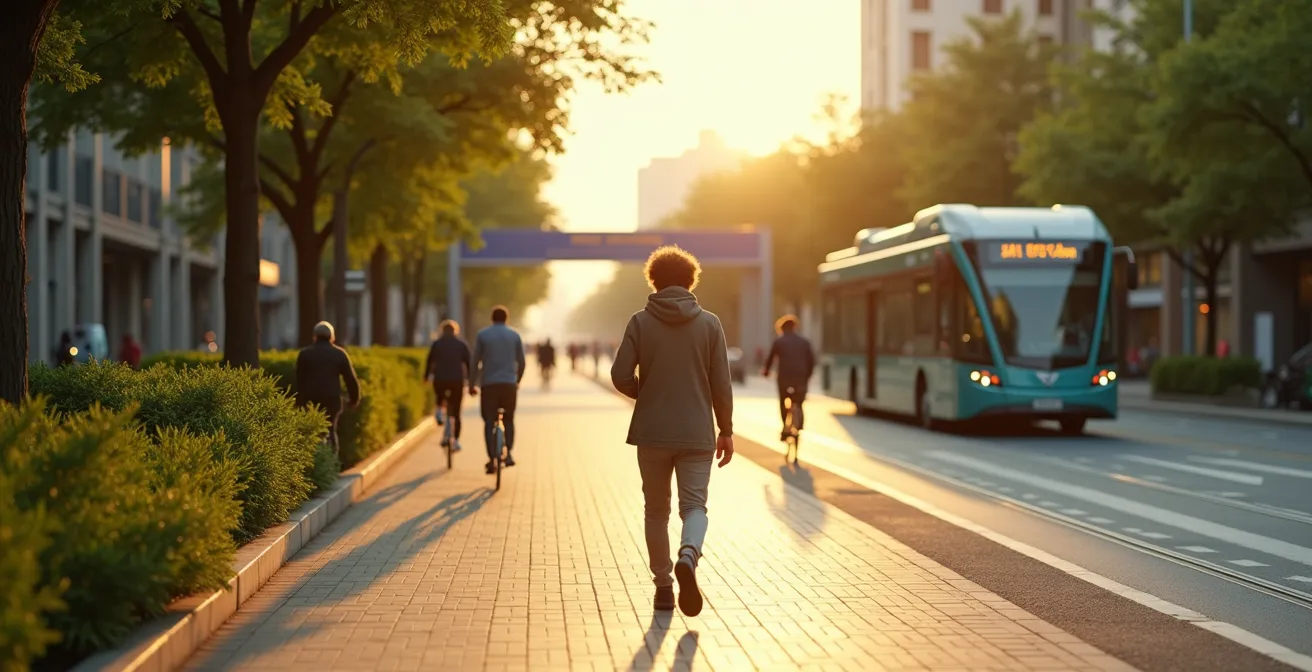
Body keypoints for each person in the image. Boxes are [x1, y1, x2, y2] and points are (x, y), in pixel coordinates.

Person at [610, 245, 734, 618]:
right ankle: (688, 555)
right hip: (697, 432)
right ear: (691, 280)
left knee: (656, 511)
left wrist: (644, 393)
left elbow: (619, 374)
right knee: (694, 506)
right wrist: (726, 429)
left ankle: (664, 587)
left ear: (654, 280)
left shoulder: (639, 322)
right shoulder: (710, 324)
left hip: (651, 432)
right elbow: (721, 383)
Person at [471, 306, 526, 474]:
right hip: (509, 384)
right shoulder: (515, 335)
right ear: (506, 318)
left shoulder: (483, 335)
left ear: (492, 318)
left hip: (489, 385)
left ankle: (491, 459)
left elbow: (475, 361)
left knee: (489, 420)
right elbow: (522, 362)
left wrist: (472, 384)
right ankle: (508, 453)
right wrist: (517, 380)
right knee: (508, 419)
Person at [295, 321, 361, 456]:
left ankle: (314, 459)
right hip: (332, 400)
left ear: (315, 336)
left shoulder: (305, 354)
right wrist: (354, 399)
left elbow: (299, 380)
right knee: (330, 428)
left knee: (313, 431)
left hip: (310, 399)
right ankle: (331, 462)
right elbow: (351, 379)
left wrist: (298, 402)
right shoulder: (339, 354)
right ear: (332, 337)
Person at [762, 314, 816, 442]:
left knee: (783, 401)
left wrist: (766, 371)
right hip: (801, 378)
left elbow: (770, 359)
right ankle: (799, 422)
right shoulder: (805, 342)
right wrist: (807, 376)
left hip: (784, 378)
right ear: (795, 327)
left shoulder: (779, 342)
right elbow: (812, 361)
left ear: (781, 328)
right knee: (799, 402)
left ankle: (784, 428)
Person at [424, 319, 471, 453]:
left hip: (440, 379)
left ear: (442, 330)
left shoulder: (437, 344)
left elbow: (430, 361)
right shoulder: (461, 344)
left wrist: (426, 376)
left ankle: (439, 410)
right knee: (456, 412)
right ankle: (455, 440)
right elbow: (468, 362)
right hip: (457, 380)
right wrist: (470, 380)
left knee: (440, 396)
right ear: (456, 331)